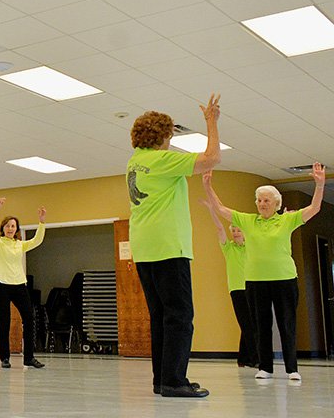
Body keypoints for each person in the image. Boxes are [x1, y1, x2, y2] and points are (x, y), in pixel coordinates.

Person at [125, 94, 221, 398]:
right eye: (170, 134)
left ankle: (163, 379)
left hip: (145, 249)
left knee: (161, 317)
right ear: (162, 136)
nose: (171, 140)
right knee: (179, 316)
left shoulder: (135, 162)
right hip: (168, 247)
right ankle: (175, 381)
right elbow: (212, 158)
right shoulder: (162, 160)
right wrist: (211, 122)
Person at [203, 164, 326, 381]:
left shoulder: (287, 219)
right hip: (255, 281)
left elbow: (314, 208)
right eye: (259, 200)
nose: (261, 204)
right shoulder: (248, 221)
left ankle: (291, 369)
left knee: (287, 324)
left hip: (284, 279)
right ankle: (265, 367)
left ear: (276, 204)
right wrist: (207, 186)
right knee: (261, 326)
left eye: (266, 200)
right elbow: (221, 209)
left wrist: (320, 185)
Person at [0, 197, 46, 369]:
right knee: (4, 321)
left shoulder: (20, 245)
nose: (10, 228)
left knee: (29, 318)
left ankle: (29, 358)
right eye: (7, 226)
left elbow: (37, 241)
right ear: (3, 228)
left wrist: (42, 222)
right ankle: (5, 358)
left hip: (19, 285)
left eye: (13, 226)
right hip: (1, 285)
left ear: (16, 229)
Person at [200, 199, 258, 368]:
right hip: (237, 290)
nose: (236, 233)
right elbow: (219, 229)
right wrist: (212, 210)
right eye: (234, 230)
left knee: (251, 324)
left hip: (252, 287)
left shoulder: (251, 247)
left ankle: (243, 358)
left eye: (239, 230)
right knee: (247, 324)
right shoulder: (229, 248)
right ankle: (256, 358)